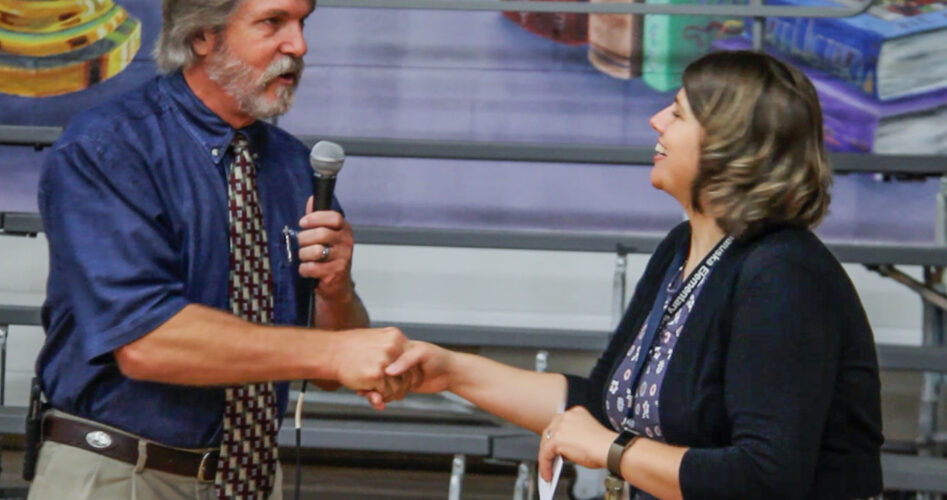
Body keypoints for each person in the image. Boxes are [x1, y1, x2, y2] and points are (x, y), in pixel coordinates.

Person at [382, 50, 884, 499]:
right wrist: (450, 371)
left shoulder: (784, 274)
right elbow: (603, 407)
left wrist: (612, 450)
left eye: (678, 113)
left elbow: (765, 476)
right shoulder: (682, 247)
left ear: (731, 146)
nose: (655, 120)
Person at [29, 0, 414, 498]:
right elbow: (146, 342)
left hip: (251, 474)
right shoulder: (110, 148)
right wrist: (334, 352)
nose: (299, 45)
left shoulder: (295, 167)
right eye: (273, 22)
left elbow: (330, 375)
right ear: (202, 35)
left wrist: (336, 290)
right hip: (122, 472)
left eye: (302, 23)